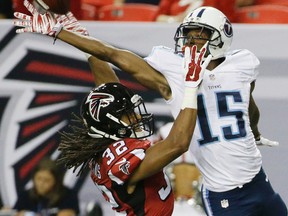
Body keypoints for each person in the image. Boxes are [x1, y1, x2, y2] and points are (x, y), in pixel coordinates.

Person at [13, 2, 287, 215]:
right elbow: (179, 143)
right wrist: (191, 85)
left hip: (255, 181)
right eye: (126, 114)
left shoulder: (113, 140)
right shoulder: (119, 162)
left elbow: (109, 81)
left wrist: (83, 43)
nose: (135, 115)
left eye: (198, 37)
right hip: (209, 199)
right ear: (109, 126)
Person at [13, 158, 79, 216]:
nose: (41, 184)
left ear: (56, 181)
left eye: (47, 180)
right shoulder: (24, 196)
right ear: (33, 178)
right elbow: (15, 213)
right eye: (38, 178)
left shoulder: (68, 195)